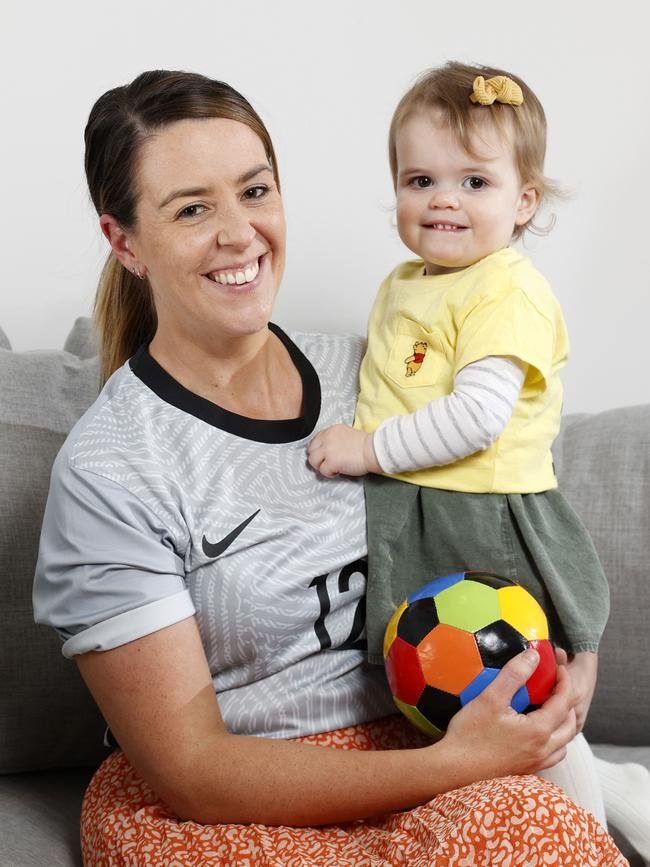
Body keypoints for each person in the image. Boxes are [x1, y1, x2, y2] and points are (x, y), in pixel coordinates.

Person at [32, 69, 625, 866]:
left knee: (534, 826)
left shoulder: (373, 370)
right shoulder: (110, 469)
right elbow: (193, 772)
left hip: (423, 743)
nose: (239, 232)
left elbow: (506, 495)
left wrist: (571, 657)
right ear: (125, 240)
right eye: (193, 208)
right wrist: (453, 765)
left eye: (255, 190)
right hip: (231, 801)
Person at [308, 60, 650, 858]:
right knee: (450, 708)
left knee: (523, 705)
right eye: (420, 178)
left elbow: (475, 417)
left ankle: (590, 834)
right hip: (418, 519)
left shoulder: (506, 290)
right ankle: (611, 796)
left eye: (475, 181)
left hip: (486, 519)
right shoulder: (404, 282)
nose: (444, 199)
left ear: (524, 201)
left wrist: (367, 448)